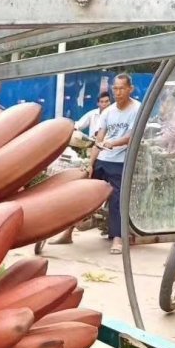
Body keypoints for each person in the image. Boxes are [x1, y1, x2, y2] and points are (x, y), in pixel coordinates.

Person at [50, 93, 111, 245]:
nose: (105, 104)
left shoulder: (114, 114)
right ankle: (68, 233)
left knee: (111, 194)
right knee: (82, 194)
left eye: (107, 101)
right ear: (98, 103)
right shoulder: (92, 115)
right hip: (93, 155)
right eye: (102, 101)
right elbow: (77, 125)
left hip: (111, 157)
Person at [94, 73, 141, 255]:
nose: (118, 92)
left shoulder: (137, 110)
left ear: (130, 89)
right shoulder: (108, 112)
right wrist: (91, 162)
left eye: (122, 88)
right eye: (115, 88)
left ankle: (118, 238)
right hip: (103, 159)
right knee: (84, 192)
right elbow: (100, 137)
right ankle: (68, 232)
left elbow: (131, 137)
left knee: (116, 201)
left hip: (121, 162)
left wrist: (113, 143)